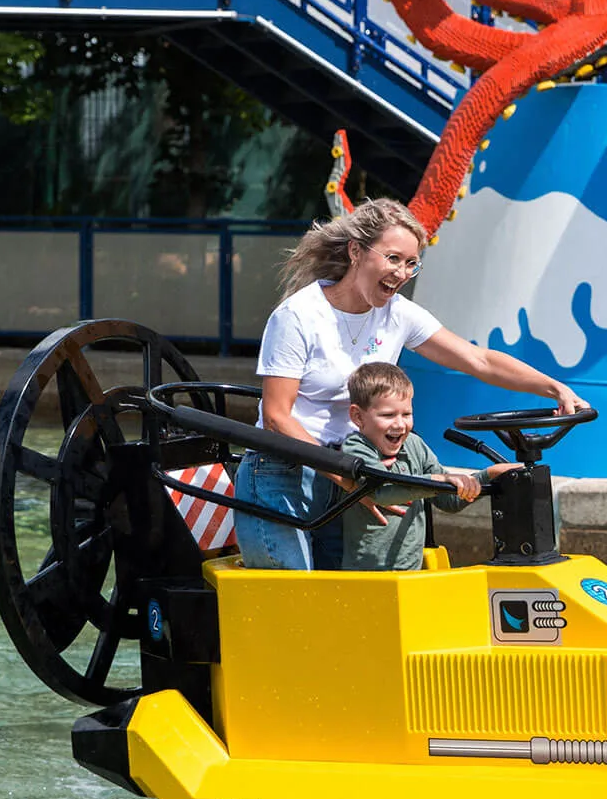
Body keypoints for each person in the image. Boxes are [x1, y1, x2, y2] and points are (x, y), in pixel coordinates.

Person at [238, 197, 587, 571]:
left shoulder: (397, 314)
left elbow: (479, 360)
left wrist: (555, 388)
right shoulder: (298, 315)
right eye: (393, 258)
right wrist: (352, 479)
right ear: (356, 251)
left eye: (411, 263)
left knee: (344, 591)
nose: (402, 273)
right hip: (285, 470)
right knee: (293, 591)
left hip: (352, 468)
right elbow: (276, 417)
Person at [337, 363, 516, 571]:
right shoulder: (356, 448)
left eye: (406, 414)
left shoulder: (414, 445)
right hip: (367, 576)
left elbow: (449, 500)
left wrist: (489, 475)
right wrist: (439, 480)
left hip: (411, 572)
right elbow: (382, 492)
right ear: (358, 417)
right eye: (388, 415)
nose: (400, 424)